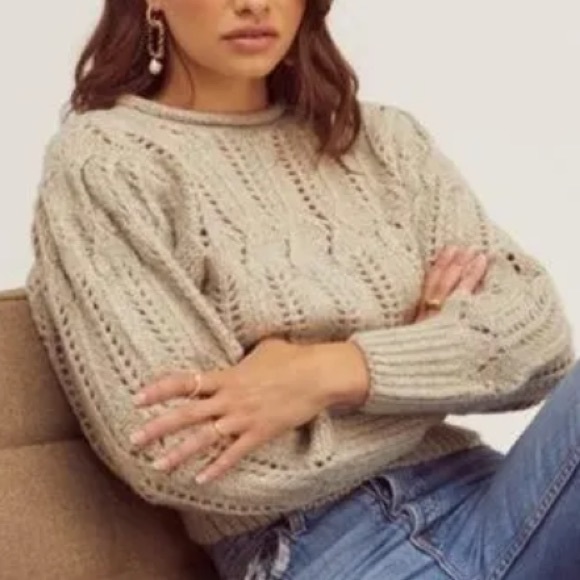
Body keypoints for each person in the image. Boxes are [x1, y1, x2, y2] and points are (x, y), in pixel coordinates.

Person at [25, 0, 579, 578]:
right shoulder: (108, 164)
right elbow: (179, 453)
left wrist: (329, 374)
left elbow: (538, 340)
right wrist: (430, 364)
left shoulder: (383, 140)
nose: (254, 5)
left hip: (499, 495)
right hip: (342, 546)